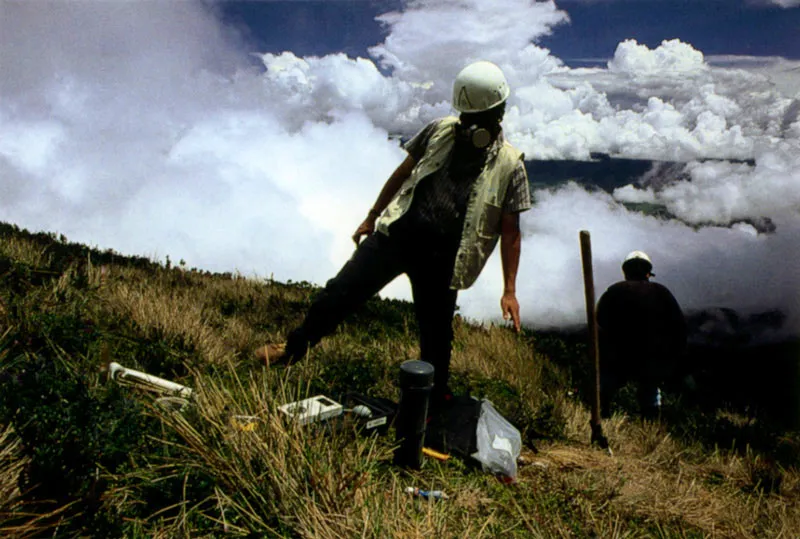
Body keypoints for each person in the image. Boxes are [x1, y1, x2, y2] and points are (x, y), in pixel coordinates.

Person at [255, 60, 532, 406]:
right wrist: (372, 216)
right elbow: (403, 173)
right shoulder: (438, 130)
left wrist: (509, 289)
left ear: (496, 116)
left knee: (436, 336)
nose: (466, 127)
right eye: (464, 118)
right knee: (340, 292)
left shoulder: (511, 166)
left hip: (444, 258)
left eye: (475, 120)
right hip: (397, 236)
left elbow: (511, 232)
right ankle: (292, 350)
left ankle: (431, 402)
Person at [596, 251, 687, 419]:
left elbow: (600, 320)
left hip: (619, 353)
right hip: (652, 355)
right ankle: (650, 428)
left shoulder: (614, 291)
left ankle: (603, 420)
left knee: (606, 388)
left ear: (625, 272)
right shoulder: (662, 292)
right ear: (648, 272)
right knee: (650, 392)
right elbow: (678, 325)